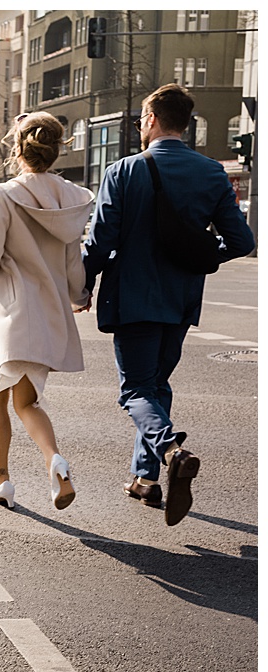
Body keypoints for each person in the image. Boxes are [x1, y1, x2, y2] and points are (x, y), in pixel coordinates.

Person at [83, 84, 255, 525]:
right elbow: (241, 241)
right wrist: (196, 255)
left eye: (142, 119)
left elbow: (101, 241)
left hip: (133, 297)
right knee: (156, 385)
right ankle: (145, 480)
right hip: (180, 299)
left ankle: (172, 450)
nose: (140, 126)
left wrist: (81, 284)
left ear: (153, 119)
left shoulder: (123, 170)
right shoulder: (212, 172)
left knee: (136, 390)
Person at [0, 112, 94, 511]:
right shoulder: (72, 199)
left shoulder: (3, 195)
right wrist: (79, 294)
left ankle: (3, 482)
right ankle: (55, 461)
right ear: (56, 149)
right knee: (28, 404)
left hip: (7, 315)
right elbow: (73, 264)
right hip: (49, 315)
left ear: (18, 149)